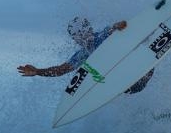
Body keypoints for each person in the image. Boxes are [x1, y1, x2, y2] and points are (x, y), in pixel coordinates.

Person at [17, 17, 155, 94]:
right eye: (78, 35)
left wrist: (120, 25)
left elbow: (117, 26)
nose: (83, 36)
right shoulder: (82, 55)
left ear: (90, 29)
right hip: (128, 86)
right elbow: (61, 70)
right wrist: (37, 71)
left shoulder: (104, 34)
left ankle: (151, 42)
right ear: (75, 39)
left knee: (133, 52)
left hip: (142, 70)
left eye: (84, 31)